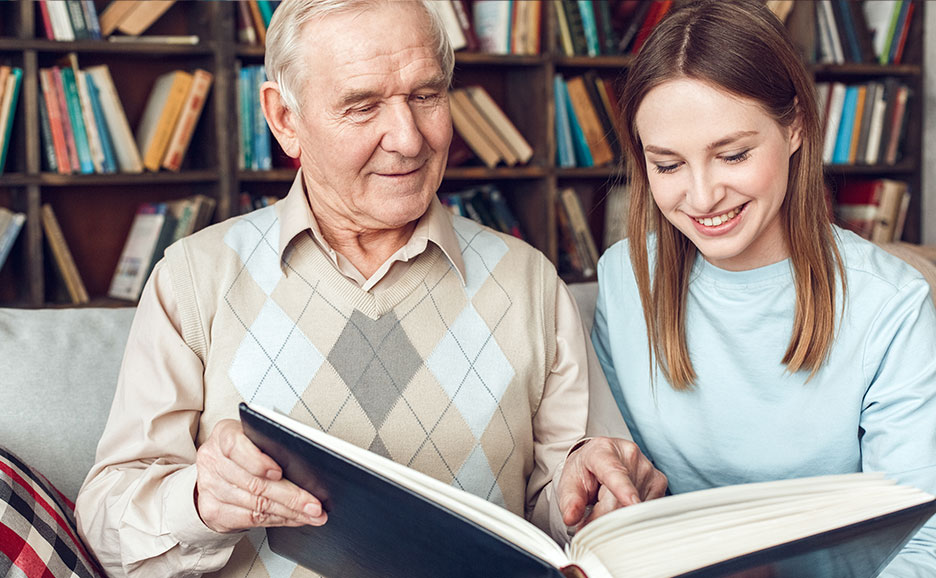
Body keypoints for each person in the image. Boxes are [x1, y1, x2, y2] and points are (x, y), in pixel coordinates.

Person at [75, 1, 666, 576]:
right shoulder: (193, 279)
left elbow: (580, 510)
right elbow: (104, 526)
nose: (409, 139)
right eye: (363, 106)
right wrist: (201, 501)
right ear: (285, 119)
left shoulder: (530, 281)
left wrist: (595, 493)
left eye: (426, 96)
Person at [591, 0, 936, 575]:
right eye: (668, 165)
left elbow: (924, 544)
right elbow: (632, 494)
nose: (703, 197)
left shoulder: (890, 305)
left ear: (795, 126)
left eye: (732, 155)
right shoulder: (625, 278)